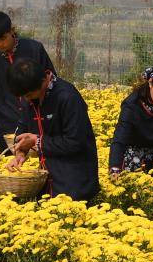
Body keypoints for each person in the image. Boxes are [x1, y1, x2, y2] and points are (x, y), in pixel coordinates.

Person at [5, 58, 100, 203]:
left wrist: (37, 141)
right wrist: (20, 152)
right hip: (47, 181)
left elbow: (75, 142)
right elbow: (23, 127)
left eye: (29, 95)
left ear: (44, 80)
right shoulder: (30, 96)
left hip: (73, 182)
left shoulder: (68, 97)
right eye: (24, 96)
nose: (26, 99)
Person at [0, 10, 57, 151]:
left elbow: (51, 82)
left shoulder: (34, 50)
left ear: (12, 31)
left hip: (38, 125)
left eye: (2, 39)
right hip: (6, 130)